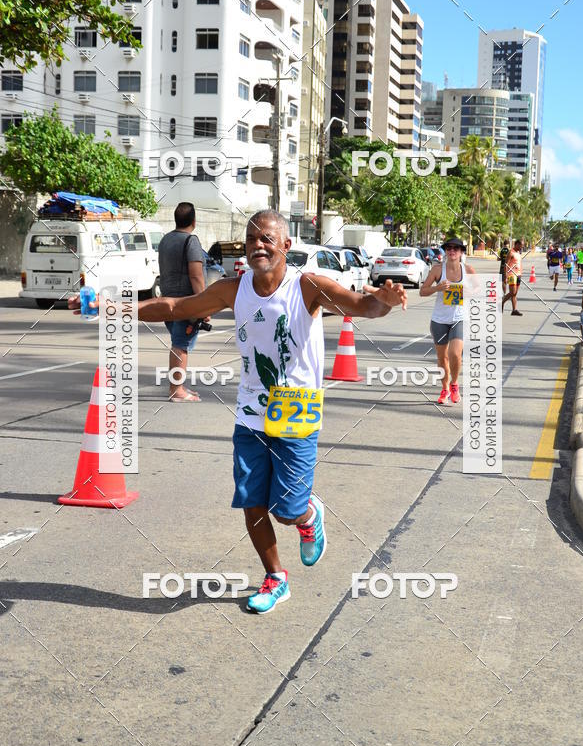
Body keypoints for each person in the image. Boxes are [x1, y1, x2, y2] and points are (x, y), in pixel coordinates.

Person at [72, 210, 407, 613]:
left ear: (285, 245)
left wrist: (384, 303)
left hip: (296, 413)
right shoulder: (234, 289)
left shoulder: (308, 286)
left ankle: (306, 515)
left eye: (266, 238)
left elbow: (361, 305)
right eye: (251, 241)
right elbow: (176, 306)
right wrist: (115, 307)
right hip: (250, 415)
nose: (258, 246)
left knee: (286, 510)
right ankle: (275, 577)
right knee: (251, 501)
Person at [157, 202, 206, 402]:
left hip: (167, 301)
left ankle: (178, 385)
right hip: (186, 303)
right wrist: (204, 304)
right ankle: (176, 390)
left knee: (179, 343)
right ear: (194, 221)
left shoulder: (165, 240)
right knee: (180, 346)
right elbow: (196, 276)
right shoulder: (191, 241)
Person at [419, 236, 475, 405]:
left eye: (455, 248)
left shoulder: (469, 270)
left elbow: (479, 289)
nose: (452, 251)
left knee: (456, 354)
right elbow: (422, 291)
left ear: (461, 252)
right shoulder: (437, 270)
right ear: (445, 251)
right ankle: (444, 389)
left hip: (460, 318)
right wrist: (438, 288)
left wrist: (468, 291)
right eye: (449, 248)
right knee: (442, 358)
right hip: (439, 319)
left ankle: (454, 384)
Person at [502, 239, 523, 315]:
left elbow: (519, 264)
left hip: (518, 275)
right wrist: (505, 276)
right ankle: (501, 302)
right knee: (512, 292)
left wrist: (521, 272)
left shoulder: (518, 253)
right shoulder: (511, 253)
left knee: (515, 293)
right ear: (516, 244)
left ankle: (514, 310)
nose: (522, 247)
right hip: (511, 275)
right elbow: (505, 265)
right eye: (521, 246)